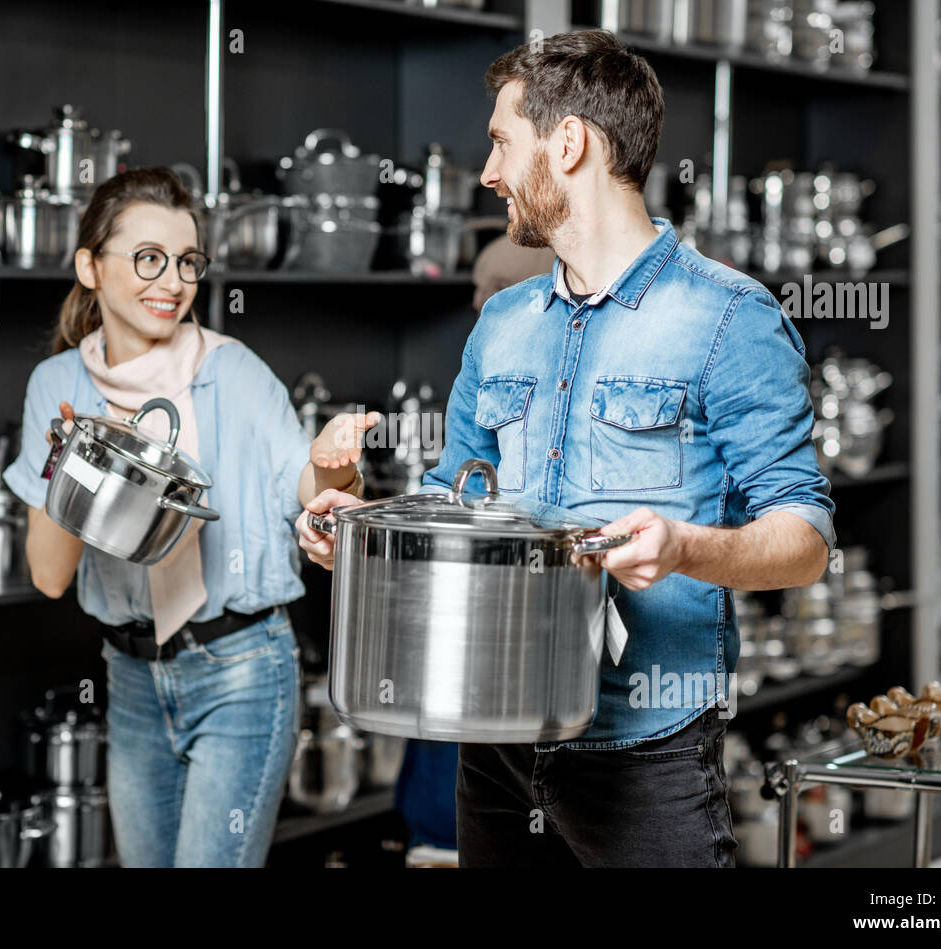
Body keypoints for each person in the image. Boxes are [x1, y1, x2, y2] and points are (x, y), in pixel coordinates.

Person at [297, 30, 835, 867]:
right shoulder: (503, 325)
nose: (488, 172)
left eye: (502, 141)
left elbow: (805, 541)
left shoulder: (729, 318)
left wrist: (687, 546)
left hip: (646, 749)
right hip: (496, 744)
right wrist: (363, 532)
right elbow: (456, 503)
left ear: (571, 143)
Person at [3, 167, 376, 867]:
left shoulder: (230, 370)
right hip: (132, 675)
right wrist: (69, 464)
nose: (171, 281)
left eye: (186, 262)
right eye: (147, 258)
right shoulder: (56, 386)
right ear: (90, 266)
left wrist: (332, 462)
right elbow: (50, 576)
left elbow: (307, 482)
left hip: (241, 669)